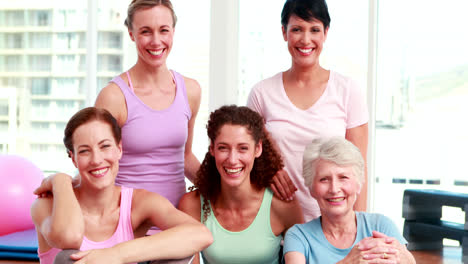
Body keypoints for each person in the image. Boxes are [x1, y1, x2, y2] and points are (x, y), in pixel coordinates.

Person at [30, 107, 213, 264]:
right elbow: (69, 237)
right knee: (68, 258)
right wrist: (60, 181)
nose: (97, 160)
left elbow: (200, 234)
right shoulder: (46, 205)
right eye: (84, 151)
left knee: (179, 253)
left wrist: (115, 254)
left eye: (105, 146)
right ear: (73, 158)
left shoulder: (138, 202)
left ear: (119, 149)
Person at [247, 0, 369, 221]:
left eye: (314, 30)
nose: (305, 40)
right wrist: (268, 168)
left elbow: (359, 171)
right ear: (284, 32)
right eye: (296, 29)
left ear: (325, 33)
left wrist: (357, 230)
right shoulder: (261, 93)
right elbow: (248, 157)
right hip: (274, 223)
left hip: (331, 225)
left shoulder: (348, 90)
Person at [94, 0, 201, 208]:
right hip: (128, 221)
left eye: (163, 30)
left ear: (173, 32)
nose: (156, 41)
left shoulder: (191, 90)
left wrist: (226, 191)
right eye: (145, 32)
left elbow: (186, 158)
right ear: (131, 34)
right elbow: (96, 164)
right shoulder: (113, 97)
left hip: (176, 220)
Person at [178, 105, 304, 264]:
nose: (232, 159)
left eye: (243, 148)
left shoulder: (283, 205)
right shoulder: (192, 205)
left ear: (257, 149)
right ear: (212, 149)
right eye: (223, 148)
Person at [283, 137, 415, 264]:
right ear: (311, 188)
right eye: (324, 179)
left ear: (358, 184)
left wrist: (402, 258)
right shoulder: (298, 237)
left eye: (343, 177)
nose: (334, 189)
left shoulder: (381, 226)